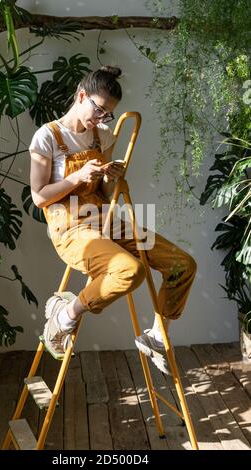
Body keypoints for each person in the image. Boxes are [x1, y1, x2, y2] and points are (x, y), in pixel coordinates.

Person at [29, 65, 197, 374]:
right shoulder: (47, 137)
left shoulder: (102, 135)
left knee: (182, 265)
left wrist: (111, 176)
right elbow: (39, 196)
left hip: (106, 220)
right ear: (82, 96)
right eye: (100, 110)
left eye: (108, 113)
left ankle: (158, 336)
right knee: (129, 271)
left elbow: (105, 193)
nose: (102, 119)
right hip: (71, 229)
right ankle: (64, 316)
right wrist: (78, 176)